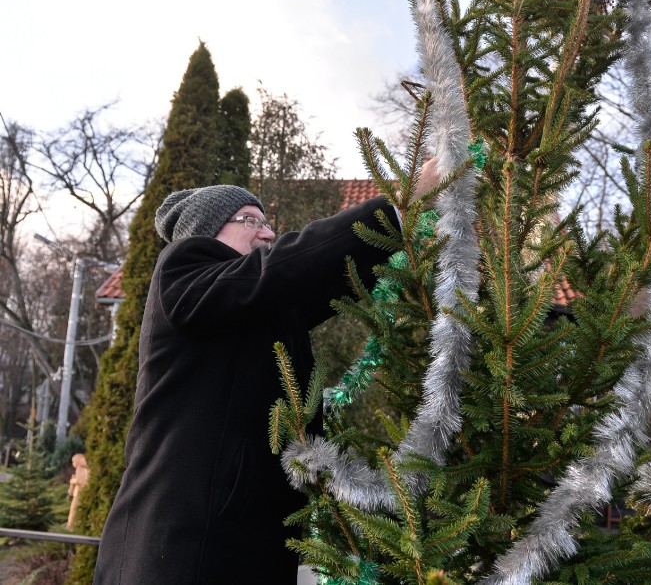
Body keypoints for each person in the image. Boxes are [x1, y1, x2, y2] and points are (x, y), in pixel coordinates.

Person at [95, 162, 438, 584]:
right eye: (249, 221)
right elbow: (285, 267)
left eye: (267, 222)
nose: (268, 233)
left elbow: (319, 276)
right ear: (206, 233)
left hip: (241, 544)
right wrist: (398, 204)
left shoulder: (254, 305)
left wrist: (416, 226)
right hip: (180, 547)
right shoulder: (184, 269)